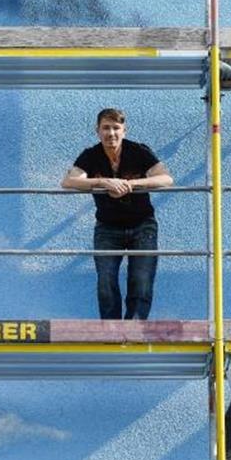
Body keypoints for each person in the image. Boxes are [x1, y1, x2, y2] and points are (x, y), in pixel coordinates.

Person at [61, 108, 173, 319]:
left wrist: (129, 184)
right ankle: (111, 329)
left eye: (116, 128)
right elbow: (68, 182)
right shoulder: (91, 155)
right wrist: (104, 182)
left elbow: (166, 179)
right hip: (107, 227)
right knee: (106, 280)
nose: (111, 133)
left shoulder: (138, 151)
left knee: (141, 278)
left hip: (142, 225)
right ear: (97, 130)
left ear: (124, 130)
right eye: (106, 128)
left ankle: (135, 328)